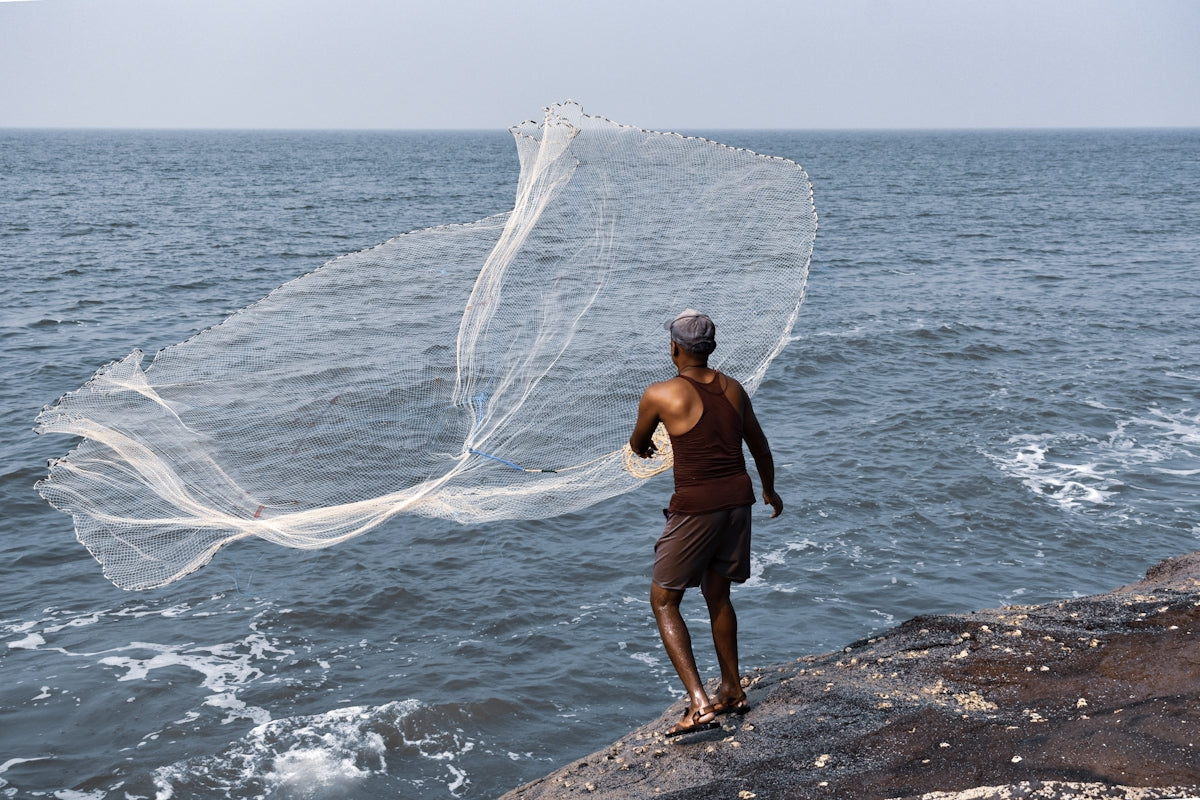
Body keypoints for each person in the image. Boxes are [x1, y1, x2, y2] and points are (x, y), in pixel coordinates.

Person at [629, 309, 783, 738]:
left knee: (664, 600)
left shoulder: (660, 395)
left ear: (674, 349)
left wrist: (647, 448)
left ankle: (699, 704)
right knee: (718, 593)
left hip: (696, 507)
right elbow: (760, 446)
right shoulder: (733, 389)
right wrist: (770, 491)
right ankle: (732, 689)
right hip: (739, 500)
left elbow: (639, 444)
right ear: (710, 348)